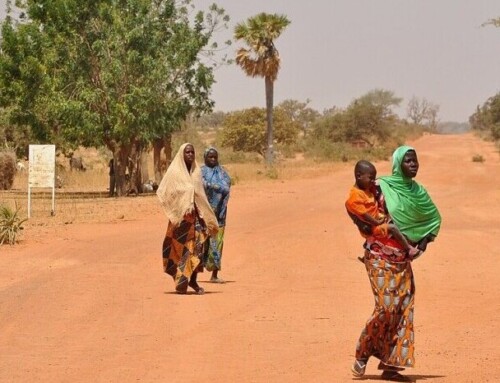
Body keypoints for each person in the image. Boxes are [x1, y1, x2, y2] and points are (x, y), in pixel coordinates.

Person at [351, 146, 441, 381]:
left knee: (403, 309)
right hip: (379, 256)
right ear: (398, 164)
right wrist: (365, 228)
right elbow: (355, 205)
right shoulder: (381, 187)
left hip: (403, 261)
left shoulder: (419, 192)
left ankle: (391, 366)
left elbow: (433, 220)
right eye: (408, 161)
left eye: (415, 161)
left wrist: (421, 246)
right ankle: (362, 355)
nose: (413, 164)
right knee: (386, 307)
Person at [157, 143, 218, 295]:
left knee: (197, 250)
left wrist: (208, 217)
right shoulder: (175, 173)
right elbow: (164, 190)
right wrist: (177, 207)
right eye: (187, 152)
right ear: (182, 154)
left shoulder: (196, 173)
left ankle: (193, 281)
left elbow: (201, 196)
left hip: (196, 219)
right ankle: (181, 281)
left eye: (192, 152)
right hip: (180, 220)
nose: (190, 155)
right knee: (179, 251)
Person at [345, 160, 420, 259]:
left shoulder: (366, 188)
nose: (373, 181)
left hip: (377, 218)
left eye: (374, 178)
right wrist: (376, 222)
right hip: (373, 226)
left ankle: (370, 247)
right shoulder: (355, 196)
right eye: (370, 178)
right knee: (393, 227)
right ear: (359, 176)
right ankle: (409, 249)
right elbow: (363, 215)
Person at [201, 147, 231, 283]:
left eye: (215, 157)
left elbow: (226, 187)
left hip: (219, 215)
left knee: (217, 243)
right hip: (202, 214)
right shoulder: (199, 173)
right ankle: (193, 274)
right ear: (205, 158)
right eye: (210, 157)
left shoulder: (223, 173)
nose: (213, 159)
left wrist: (213, 186)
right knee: (200, 243)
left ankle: (214, 275)